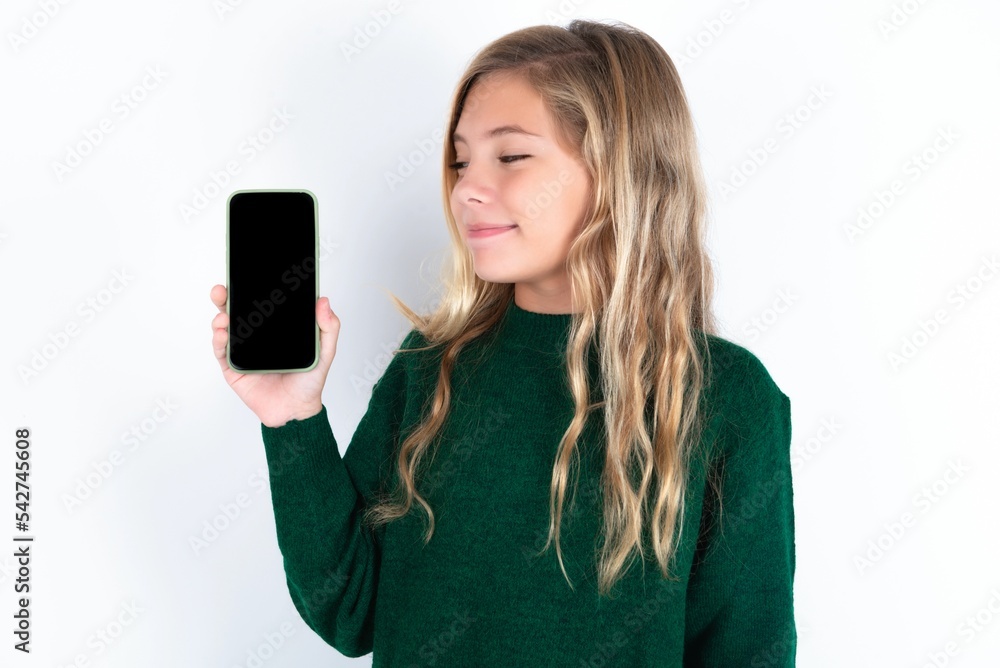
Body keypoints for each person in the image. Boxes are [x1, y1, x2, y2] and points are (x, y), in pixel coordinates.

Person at [210, 18, 795, 667]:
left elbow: (748, 651)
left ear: (620, 170)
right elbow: (350, 609)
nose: (465, 188)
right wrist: (292, 417)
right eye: (461, 161)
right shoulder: (428, 367)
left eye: (511, 156)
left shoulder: (725, 396)